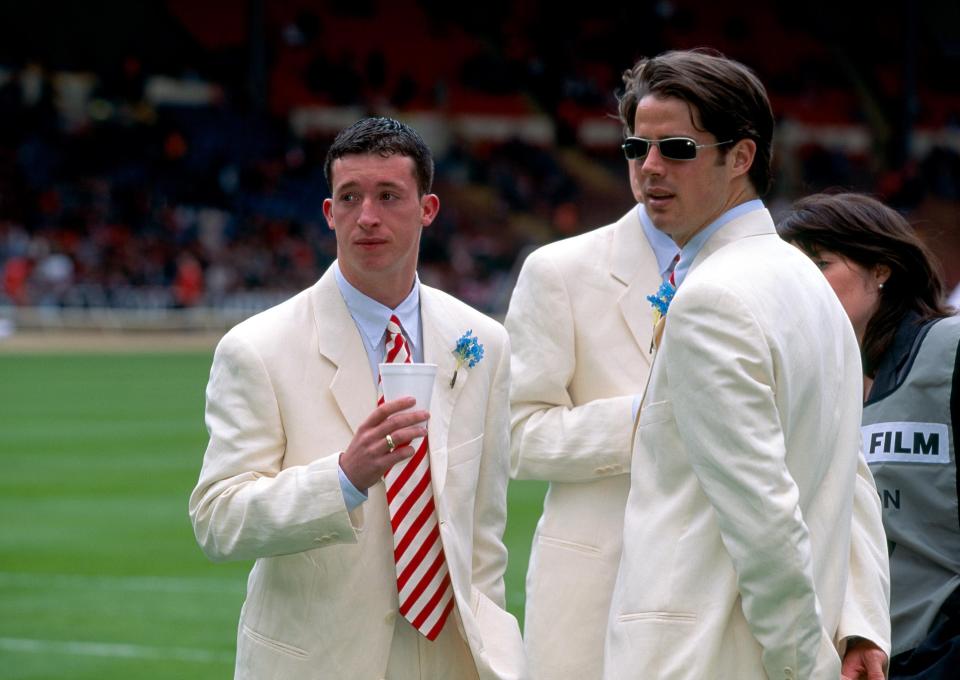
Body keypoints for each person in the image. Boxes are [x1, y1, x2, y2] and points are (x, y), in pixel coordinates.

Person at [506, 50, 891, 680]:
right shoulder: (559, 271)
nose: (650, 168)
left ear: (740, 157)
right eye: (636, 148)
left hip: (721, 633)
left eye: (677, 148)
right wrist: (650, 418)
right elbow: (515, 435)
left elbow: (844, 476)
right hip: (593, 609)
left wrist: (856, 624)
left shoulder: (759, 289)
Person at [189, 117, 526, 680]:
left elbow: (484, 533)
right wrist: (342, 478)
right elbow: (218, 520)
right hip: (319, 662)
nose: (367, 216)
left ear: (428, 210)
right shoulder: (257, 348)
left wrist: (496, 649)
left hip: (451, 661)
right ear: (329, 213)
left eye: (389, 196)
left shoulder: (482, 342)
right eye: (350, 197)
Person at [779, 192, 960, 679]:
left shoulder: (950, 348)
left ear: (881, 269)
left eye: (820, 264)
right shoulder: (806, 378)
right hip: (857, 655)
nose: (803, 287)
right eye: (792, 273)